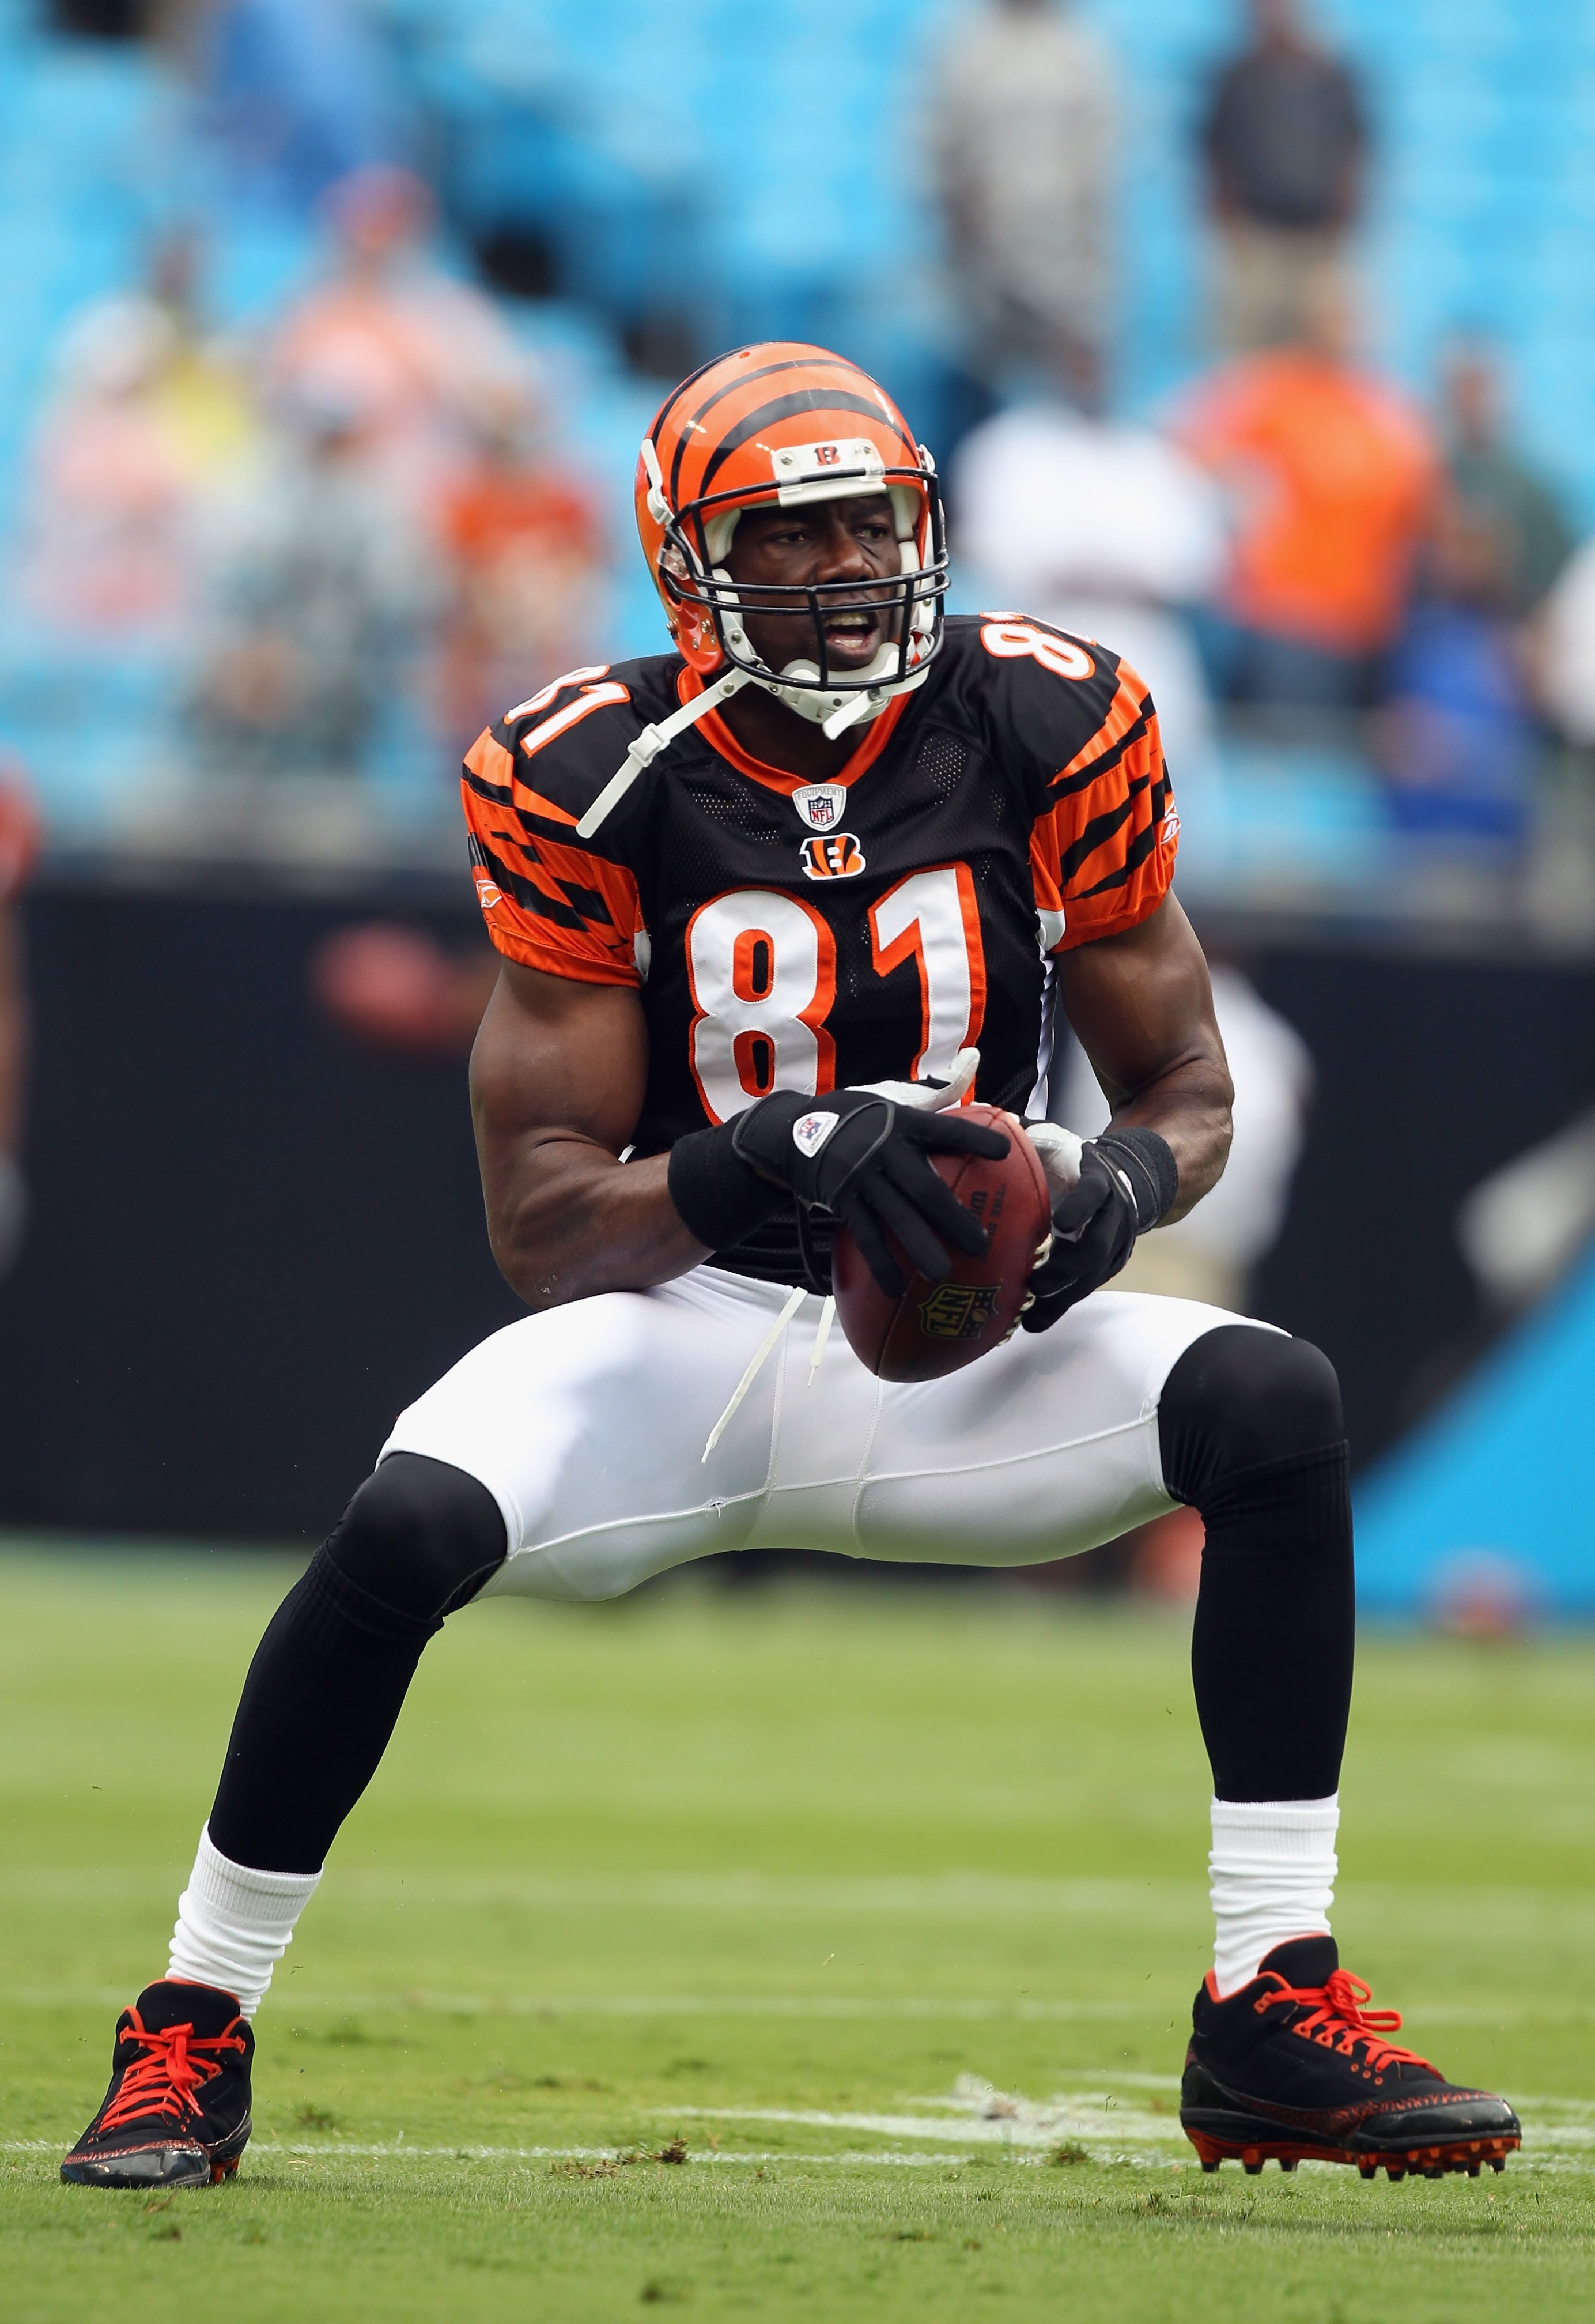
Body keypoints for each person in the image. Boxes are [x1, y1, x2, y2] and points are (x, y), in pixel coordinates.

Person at [61, 344, 1517, 2192]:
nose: (846, 571)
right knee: (407, 1524)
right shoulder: (589, 768)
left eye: (871, 528)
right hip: (685, 1331)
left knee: (1269, 1400)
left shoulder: (1047, 715)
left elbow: (1190, 1086)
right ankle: (191, 2022)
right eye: (793, 536)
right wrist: (762, 1151)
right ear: (691, 564)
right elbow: (542, 1224)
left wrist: (1121, 1185)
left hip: (962, 1343)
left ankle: (1269, 2002)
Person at [952, 343, 1226, 806]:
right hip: (1042, 631)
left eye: (1096, 362)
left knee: (1162, 785)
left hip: (1143, 637)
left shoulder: (1154, 454)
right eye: (1077, 360)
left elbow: (1195, 563)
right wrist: (1111, 561)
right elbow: (999, 550)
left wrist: (1088, 559)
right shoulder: (1011, 445)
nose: (1088, 374)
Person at [1177, 278, 1438, 709]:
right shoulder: (1272, 390)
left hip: (1368, 627)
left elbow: (1418, 506)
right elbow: (1191, 445)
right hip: (1288, 618)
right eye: (1335, 319)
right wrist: (1242, 498)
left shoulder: (1384, 410)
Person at [927, 0, 1116, 394]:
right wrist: (964, 251)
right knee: (982, 389)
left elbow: (1101, 166)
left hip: (1066, 267)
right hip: (985, 267)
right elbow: (938, 155)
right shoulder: (965, 44)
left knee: (1066, 401)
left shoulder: (1079, 48)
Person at [1201, 0, 1366, 353]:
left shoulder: (1330, 77)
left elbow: (1353, 152)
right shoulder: (1235, 78)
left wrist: (1339, 227)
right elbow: (1216, 156)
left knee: (1319, 350)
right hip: (1256, 236)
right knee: (1249, 350)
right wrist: (1232, 231)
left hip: (1319, 238)